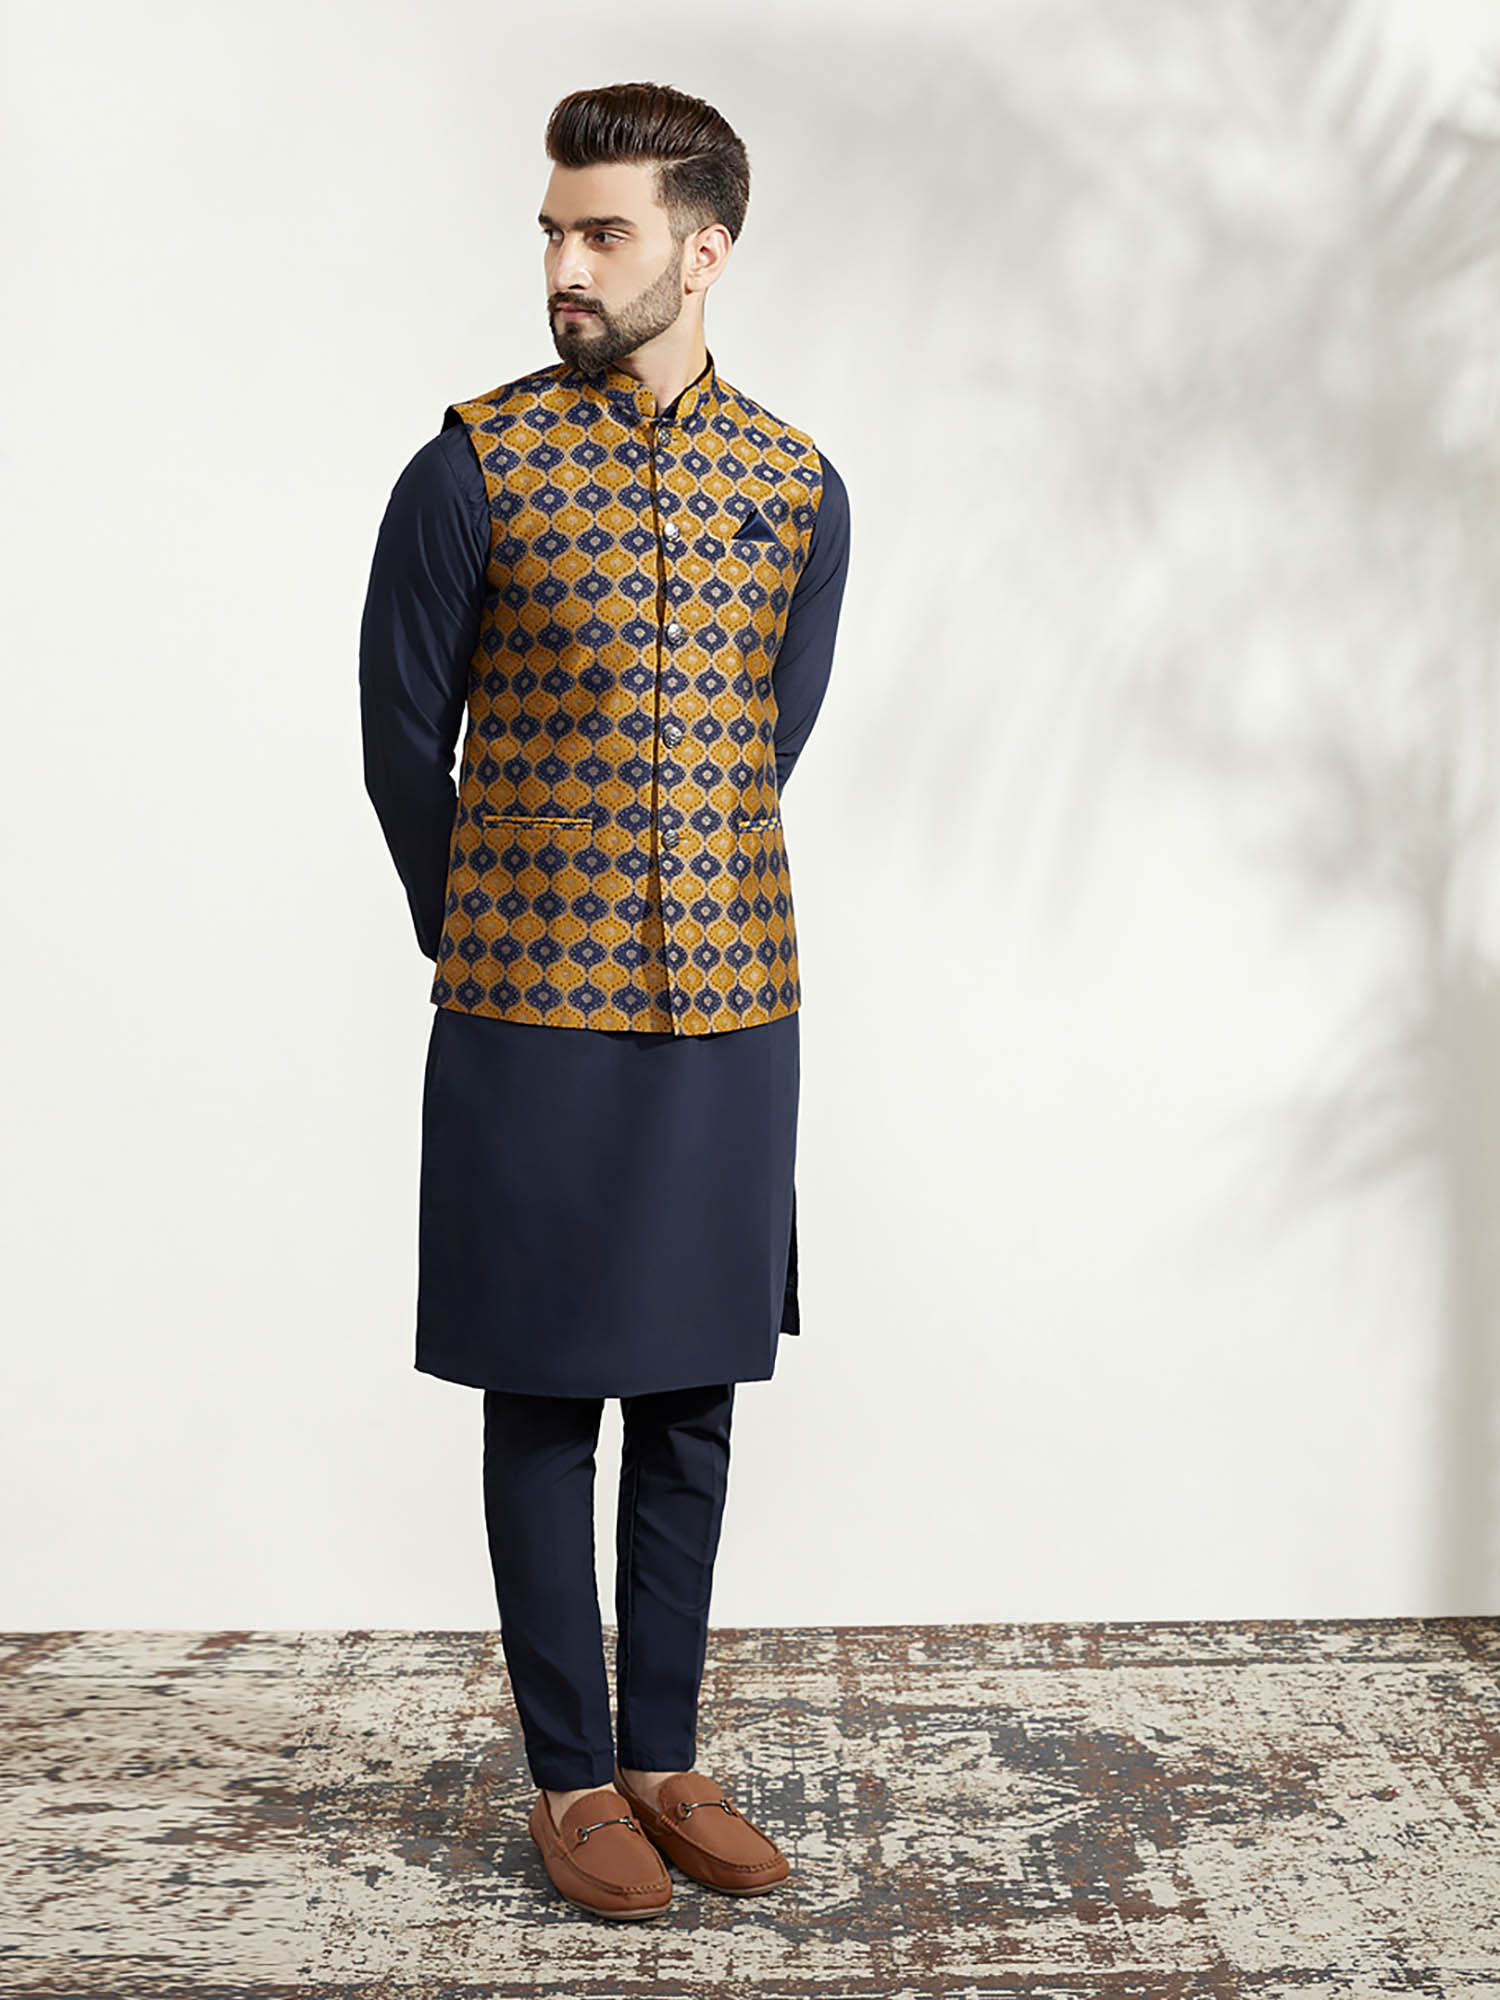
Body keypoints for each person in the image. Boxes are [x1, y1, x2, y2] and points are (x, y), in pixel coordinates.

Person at [359, 78, 851, 1920]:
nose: (565, 265)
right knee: (547, 1392)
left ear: (703, 250)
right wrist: (482, 920)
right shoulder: (471, 468)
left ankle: (666, 1757)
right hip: (528, 1004)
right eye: (554, 231)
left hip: (732, 996)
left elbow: (767, 738)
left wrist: (678, 872)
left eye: (605, 232)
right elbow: (402, 738)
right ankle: (571, 1776)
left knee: (696, 1389)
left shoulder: (796, 487)